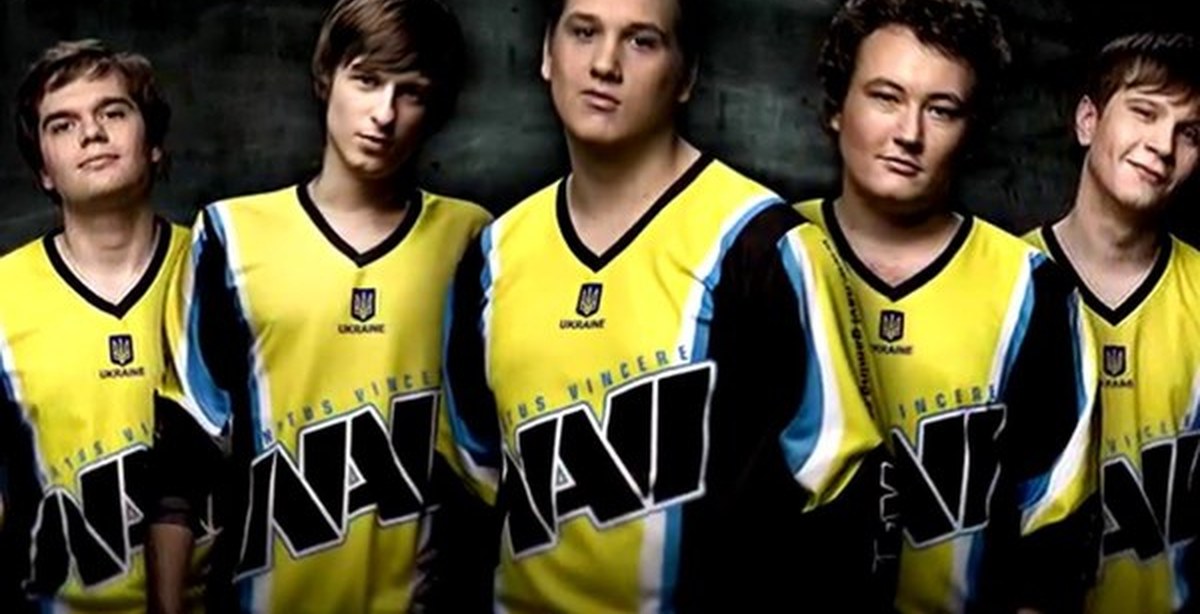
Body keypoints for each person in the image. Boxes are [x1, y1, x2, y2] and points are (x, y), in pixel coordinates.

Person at [440, 0, 882, 610]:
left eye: (641, 41)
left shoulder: (760, 247)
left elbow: (840, 498)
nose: (604, 64)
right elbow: (471, 496)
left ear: (686, 76)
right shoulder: (494, 255)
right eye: (583, 32)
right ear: (547, 54)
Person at [146, 0, 492, 611]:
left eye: (411, 93)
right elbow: (184, 459)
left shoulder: (470, 239)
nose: (384, 114)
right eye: (367, 80)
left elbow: (493, 458)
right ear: (326, 75)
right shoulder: (231, 234)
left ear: (435, 107)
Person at [795, 0, 1100, 611]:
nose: (909, 133)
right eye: (886, 97)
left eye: (941, 109)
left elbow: (1055, 537)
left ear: (972, 129)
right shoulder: (765, 257)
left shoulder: (1031, 291)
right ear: (837, 106)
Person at [0, 39, 193, 613]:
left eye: (113, 112)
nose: (91, 133)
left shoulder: (223, 272)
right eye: (62, 125)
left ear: (153, 144)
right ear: (43, 170)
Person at [1023, 32, 1200, 614]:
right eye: (1145, 112)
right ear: (1088, 120)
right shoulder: (1001, 286)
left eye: (1190, 133)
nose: (1163, 145)